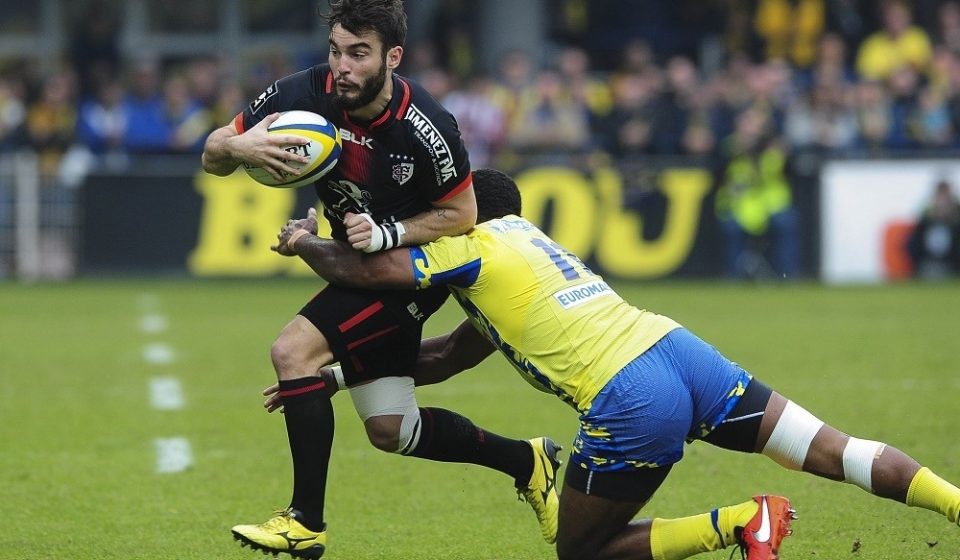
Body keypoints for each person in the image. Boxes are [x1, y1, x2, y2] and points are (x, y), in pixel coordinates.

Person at [269, 168, 960, 560]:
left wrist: (306, 242)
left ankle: (740, 524)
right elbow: (448, 357)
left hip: (630, 396)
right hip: (680, 353)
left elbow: (375, 270)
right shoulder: (527, 248)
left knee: (582, 555)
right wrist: (330, 379)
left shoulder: (468, 243)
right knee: (834, 450)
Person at [200, 2, 558, 558]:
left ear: (393, 57)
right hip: (358, 258)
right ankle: (527, 461)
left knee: (293, 352)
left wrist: (388, 233)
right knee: (393, 429)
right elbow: (211, 153)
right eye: (336, 51)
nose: (341, 66)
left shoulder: (428, 125)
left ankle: (304, 523)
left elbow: (461, 214)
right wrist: (236, 145)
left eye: (358, 54)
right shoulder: (303, 91)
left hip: (408, 273)